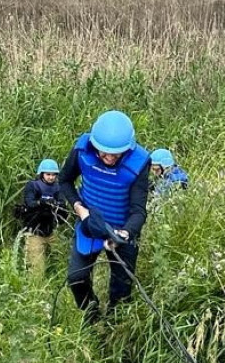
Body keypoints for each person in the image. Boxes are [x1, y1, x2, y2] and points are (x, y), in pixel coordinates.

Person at [58, 110, 151, 324]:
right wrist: (79, 208)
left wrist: (125, 233)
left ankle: (113, 327)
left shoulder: (139, 163)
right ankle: (92, 316)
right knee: (76, 279)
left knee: (121, 292)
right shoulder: (82, 151)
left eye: (115, 154)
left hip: (121, 231)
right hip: (89, 225)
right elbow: (64, 182)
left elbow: (139, 211)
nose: (109, 158)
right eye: (103, 152)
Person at [17, 159, 66, 278]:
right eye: (48, 174)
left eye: (53, 175)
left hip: (51, 231)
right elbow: (29, 202)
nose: (51, 177)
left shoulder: (58, 188)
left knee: (62, 261)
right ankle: (35, 290)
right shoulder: (33, 185)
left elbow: (62, 204)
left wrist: (56, 204)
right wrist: (41, 202)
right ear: (42, 174)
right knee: (37, 269)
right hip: (34, 232)